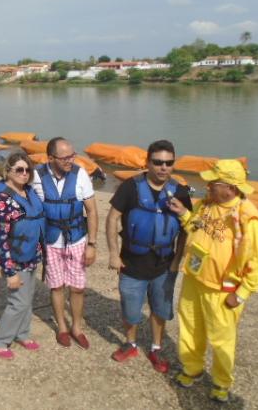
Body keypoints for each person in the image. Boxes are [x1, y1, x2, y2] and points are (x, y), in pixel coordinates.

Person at [168, 159, 258, 403]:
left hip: (222, 291)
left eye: (213, 183)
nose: (207, 186)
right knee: (190, 329)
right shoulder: (206, 204)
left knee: (221, 340)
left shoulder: (247, 218)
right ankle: (192, 368)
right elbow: (196, 228)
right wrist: (184, 214)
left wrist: (243, 292)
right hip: (194, 280)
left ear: (231, 188)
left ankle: (221, 383)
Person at [106, 140, 191, 372]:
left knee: (160, 310)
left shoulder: (180, 191)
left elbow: (186, 228)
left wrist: (177, 261)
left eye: (169, 163)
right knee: (131, 310)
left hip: (163, 264)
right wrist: (113, 253)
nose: (164, 167)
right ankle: (131, 343)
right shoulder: (130, 188)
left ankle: (156, 348)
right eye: (158, 162)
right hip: (132, 263)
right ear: (147, 163)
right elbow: (112, 217)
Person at [31, 137, 98, 349]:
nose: (71, 160)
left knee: (77, 287)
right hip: (51, 239)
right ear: (51, 158)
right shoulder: (37, 176)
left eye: (73, 155)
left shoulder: (80, 175)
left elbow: (92, 210)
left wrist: (92, 244)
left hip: (76, 237)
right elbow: (28, 206)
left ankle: (77, 327)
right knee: (57, 286)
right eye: (65, 157)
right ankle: (61, 327)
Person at [0, 153, 45, 359]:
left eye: (27, 170)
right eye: (19, 169)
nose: (24, 173)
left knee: (27, 298)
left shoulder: (29, 191)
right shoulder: (2, 198)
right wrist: (9, 270)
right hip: (14, 257)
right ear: (7, 171)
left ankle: (22, 333)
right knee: (18, 302)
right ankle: (0, 341)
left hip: (32, 254)